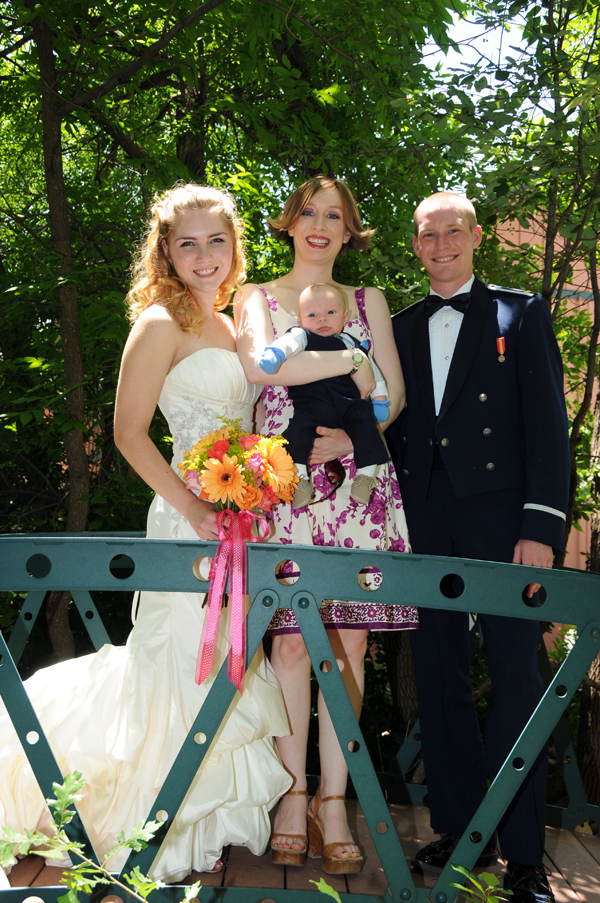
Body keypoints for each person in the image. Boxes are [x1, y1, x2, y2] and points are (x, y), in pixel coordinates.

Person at [0, 184, 291, 885]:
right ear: (166, 251)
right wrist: (192, 508)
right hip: (186, 518)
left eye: (216, 240)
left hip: (236, 518)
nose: (204, 255)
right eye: (187, 243)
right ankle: (148, 821)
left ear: (235, 246)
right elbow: (129, 433)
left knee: (219, 661)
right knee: (177, 661)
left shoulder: (232, 324)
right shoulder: (160, 322)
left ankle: (200, 819)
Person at [387, 192, 570, 903]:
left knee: (518, 677)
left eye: (452, 231)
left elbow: (548, 426)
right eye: (427, 234)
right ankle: (463, 831)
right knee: (439, 676)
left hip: (504, 523)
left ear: (476, 235)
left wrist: (541, 526)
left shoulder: (520, 314)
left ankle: (523, 855)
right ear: (414, 245)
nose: (441, 244)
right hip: (424, 521)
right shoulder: (398, 326)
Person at [235, 175, 417, 876]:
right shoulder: (256, 298)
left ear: (348, 230)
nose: (319, 224)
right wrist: (349, 360)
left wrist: (352, 439)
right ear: (289, 223)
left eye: (334, 215)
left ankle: (332, 800)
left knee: (350, 642)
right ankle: (292, 792)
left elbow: (393, 393)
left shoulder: (369, 301)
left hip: (357, 487)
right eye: (308, 211)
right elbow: (264, 372)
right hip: (286, 486)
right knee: (287, 645)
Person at [259, 281, 390, 507]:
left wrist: (379, 400)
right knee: (297, 432)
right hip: (312, 405)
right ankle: (300, 479)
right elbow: (288, 343)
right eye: (312, 315)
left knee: (366, 425)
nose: (322, 319)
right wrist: (276, 354)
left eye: (331, 312)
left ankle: (365, 477)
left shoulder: (351, 344)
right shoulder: (302, 336)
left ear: (345, 316)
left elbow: (373, 373)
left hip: (350, 404)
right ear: (300, 320)